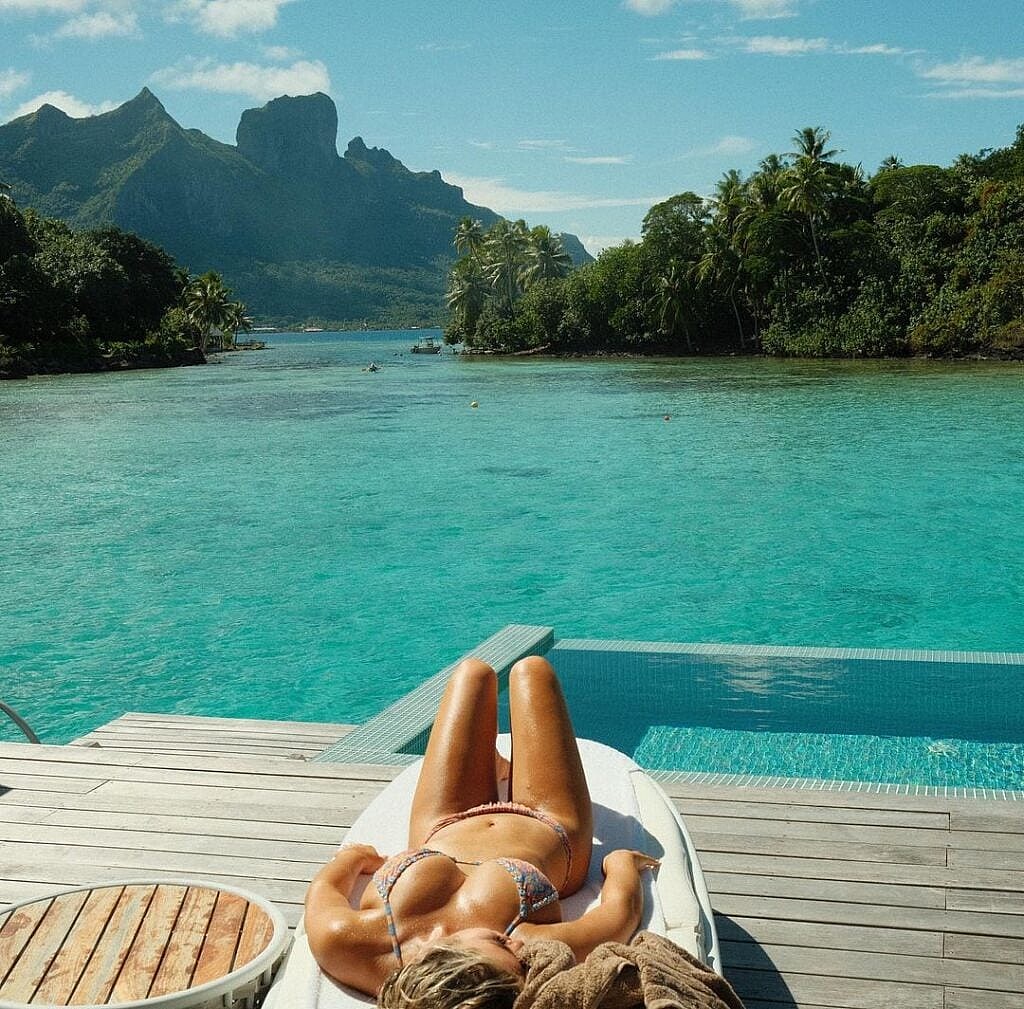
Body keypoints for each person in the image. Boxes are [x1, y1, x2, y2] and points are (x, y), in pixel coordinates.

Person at [304, 655, 659, 1006]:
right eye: (520, 963)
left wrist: (350, 860)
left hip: (441, 822)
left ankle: (495, 767)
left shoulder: (348, 946)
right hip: (548, 822)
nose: (519, 950)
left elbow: (324, 892)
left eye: (501, 945)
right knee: (532, 671)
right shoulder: (527, 944)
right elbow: (617, 916)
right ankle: (497, 767)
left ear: (450, 963)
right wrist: (620, 862)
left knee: (472, 674)